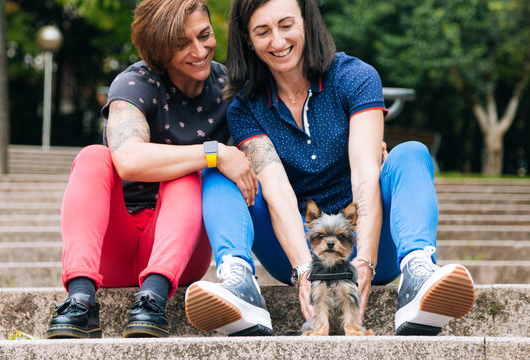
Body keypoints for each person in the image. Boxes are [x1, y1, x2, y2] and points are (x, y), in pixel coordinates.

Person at [185, 0, 475, 336]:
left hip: (371, 245)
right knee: (218, 170)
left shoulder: (355, 77)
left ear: (306, 22)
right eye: (263, 32)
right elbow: (276, 189)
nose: (277, 41)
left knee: (410, 152)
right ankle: (239, 282)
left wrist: (364, 260)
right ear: (249, 40)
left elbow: (365, 170)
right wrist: (306, 268)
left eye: (286, 25)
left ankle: (419, 272)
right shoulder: (245, 107)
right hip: (296, 249)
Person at [45, 0, 258, 339]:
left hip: (181, 250)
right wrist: (214, 150)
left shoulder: (230, 88)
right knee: (92, 156)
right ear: (159, 51)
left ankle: (153, 300)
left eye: (204, 35)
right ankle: (80, 301)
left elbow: (272, 146)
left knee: (189, 172)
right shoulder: (134, 84)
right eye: (181, 44)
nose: (200, 50)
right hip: (116, 245)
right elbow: (127, 159)